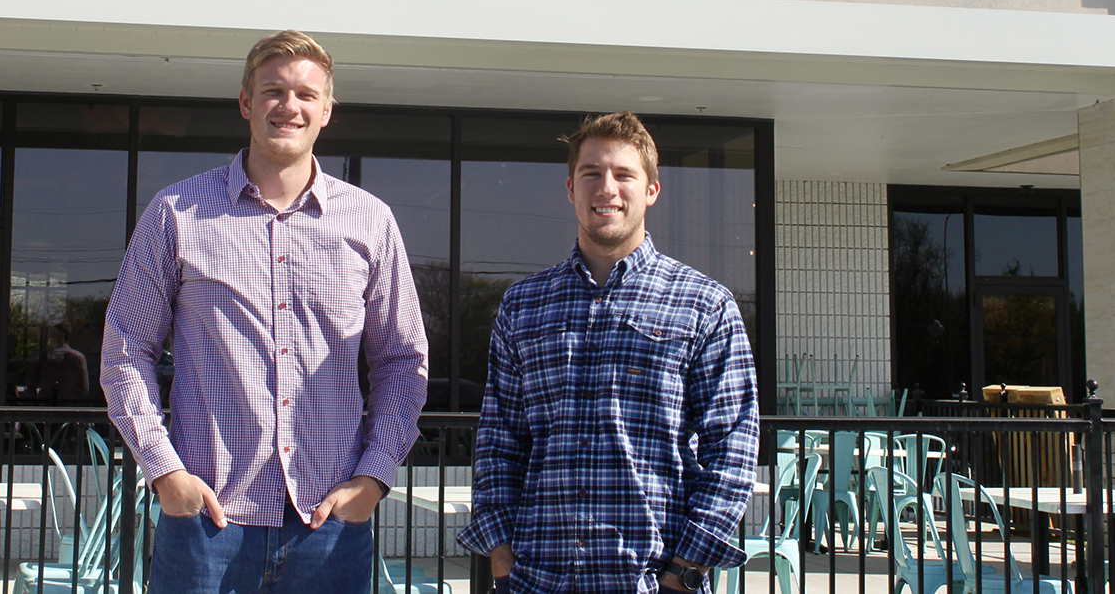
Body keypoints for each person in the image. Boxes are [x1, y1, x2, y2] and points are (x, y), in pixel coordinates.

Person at [101, 30, 430, 594]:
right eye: (273, 90)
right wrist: (165, 471)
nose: (289, 105)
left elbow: (403, 360)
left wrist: (374, 476)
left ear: (327, 110)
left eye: (306, 94)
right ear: (245, 103)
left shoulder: (370, 222)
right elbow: (126, 350)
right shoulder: (177, 213)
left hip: (326, 524)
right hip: (206, 520)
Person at [458, 111, 759, 594]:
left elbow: (734, 448)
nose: (607, 188)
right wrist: (501, 557)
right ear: (571, 190)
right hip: (537, 579)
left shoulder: (704, 305)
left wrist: (684, 573)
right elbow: (500, 440)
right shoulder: (524, 304)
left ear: (651, 191)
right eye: (591, 174)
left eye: (624, 174)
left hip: (650, 581)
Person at [24, 321, 89, 401]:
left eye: (52, 335)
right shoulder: (78, 357)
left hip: (45, 405)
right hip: (69, 406)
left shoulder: (42, 357)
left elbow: (30, 385)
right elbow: (84, 389)